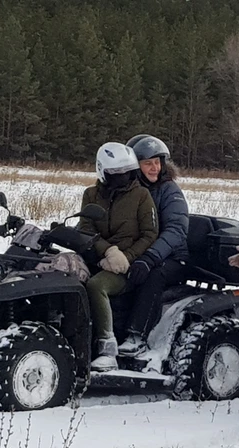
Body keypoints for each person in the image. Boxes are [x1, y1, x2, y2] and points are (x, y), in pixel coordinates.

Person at [79, 142, 159, 370]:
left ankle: (108, 348)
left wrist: (127, 257)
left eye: (127, 171)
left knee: (96, 286)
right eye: (116, 173)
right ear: (104, 172)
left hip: (128, 266)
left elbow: (150, 233)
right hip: (97, 257)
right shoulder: (91, 194)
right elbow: (85, 228)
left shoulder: (141, 196)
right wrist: (106, 251)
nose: (122, 176)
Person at [116, 135, 190, 357]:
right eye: (148, 163)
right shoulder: (128, 190)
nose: (154, 168)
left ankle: (137, 334)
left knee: (152, 275)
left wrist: (149, 258)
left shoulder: (169, 191)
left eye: (158, 162)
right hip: (140, 251)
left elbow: (177, 230)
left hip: (173, 257)